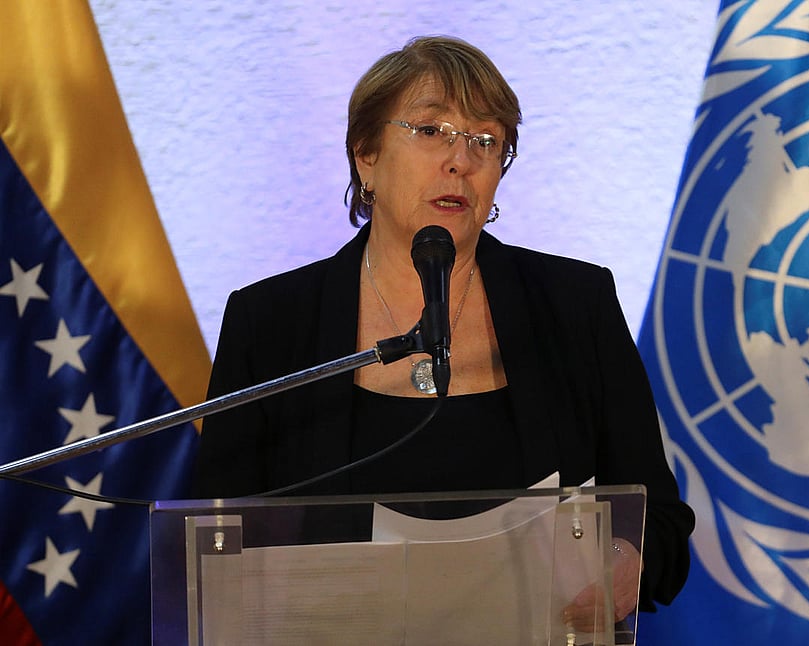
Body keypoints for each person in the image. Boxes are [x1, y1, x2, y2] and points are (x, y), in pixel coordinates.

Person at [192, 35, 694, 630]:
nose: (462, 159)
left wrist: (626, 561)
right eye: (431, 131)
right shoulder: (271, 322)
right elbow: (214, 551)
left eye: (487, 139)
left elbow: (659, 521)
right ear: (366, 155)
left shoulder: (574, 306)